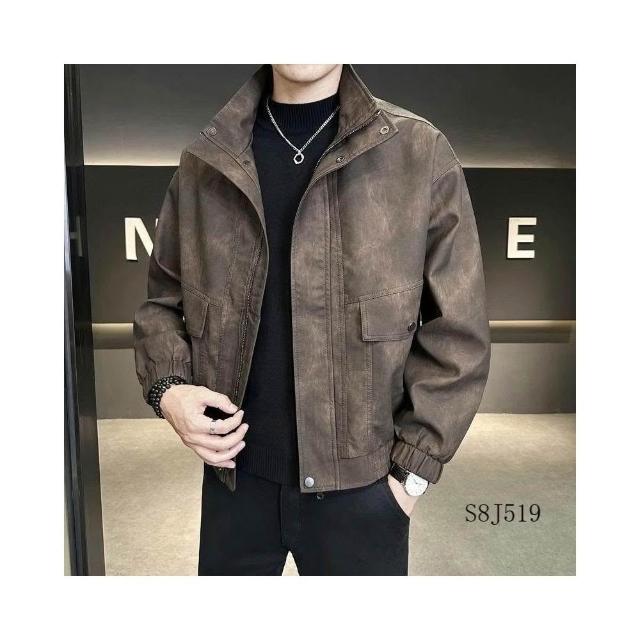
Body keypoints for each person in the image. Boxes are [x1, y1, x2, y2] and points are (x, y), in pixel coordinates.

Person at [133, 64, 491, 576]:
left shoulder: (418, 152)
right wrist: (168, 391)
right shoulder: (207, 160)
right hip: (234, 481)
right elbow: (162, 302)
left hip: (364, 493)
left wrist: (408, 480)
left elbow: (458, 333)